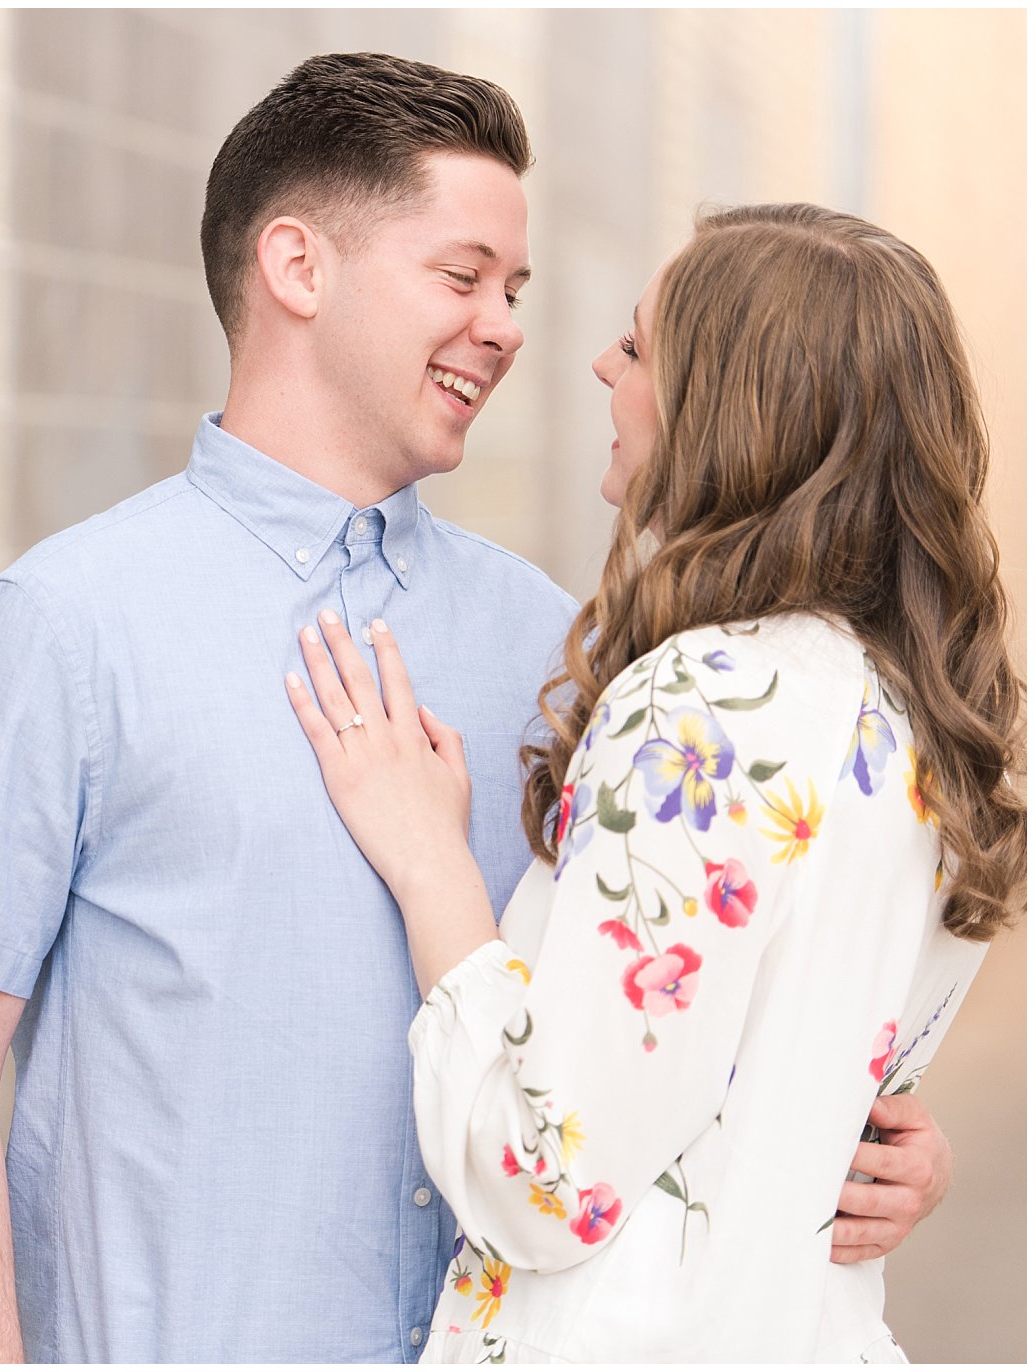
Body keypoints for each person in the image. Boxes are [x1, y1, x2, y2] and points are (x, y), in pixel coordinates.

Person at [0, 54, 951, 1362]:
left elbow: (666, 1034)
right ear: (298, 268)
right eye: (463, 276)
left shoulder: (576, 648)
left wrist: (869, 1142)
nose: (504, 326)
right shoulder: (69, 627)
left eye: (517, 290)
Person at [285, 202, 1024, 1360]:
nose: (596, 365)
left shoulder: (707, 701)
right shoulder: (923, 718)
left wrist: (430, 866)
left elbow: (546, 1180)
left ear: (729, 410)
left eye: (636, 347)